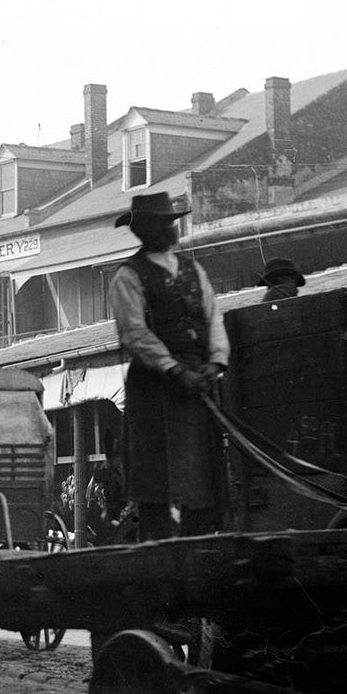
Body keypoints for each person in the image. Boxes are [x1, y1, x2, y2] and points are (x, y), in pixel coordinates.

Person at [109, 191, 230, 541]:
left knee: (201, 474)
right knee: (156, 479)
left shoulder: (194, 270)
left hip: (198, 383)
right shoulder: (129, 277)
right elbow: (135, 333)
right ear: (144, 230)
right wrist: (175, 370)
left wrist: (215, 364)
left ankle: (200, 541)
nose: (170, 228)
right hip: (154, 387)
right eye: (163, 223)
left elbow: (213, 318)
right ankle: (157, 546)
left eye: (171, 222)